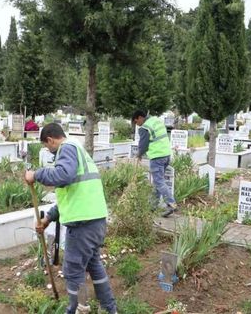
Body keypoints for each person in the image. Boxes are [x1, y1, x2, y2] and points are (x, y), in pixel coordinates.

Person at [25, 123, 117, 314]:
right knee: (94, 265)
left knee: (73, 270)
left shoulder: (66, 149)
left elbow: (63, 175)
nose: (48, 150)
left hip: (83, 224)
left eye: (46, 146)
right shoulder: (78, 150)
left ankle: (76, 309)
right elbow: (72, 195)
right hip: (95, 219)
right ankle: (109, 309)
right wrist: (49, 218)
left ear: (50, 140)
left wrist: (36, 174)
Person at [132, 110, 177, 217]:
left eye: (136, 121)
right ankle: (153, 205)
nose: (137, 124)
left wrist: (139, 155)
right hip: (166, 154)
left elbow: (143, 144)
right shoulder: (156, 120)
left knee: (159, 181)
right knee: (158, 182)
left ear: (140, 118)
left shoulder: (144, 128)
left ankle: (171, 204)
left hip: (157, 157)